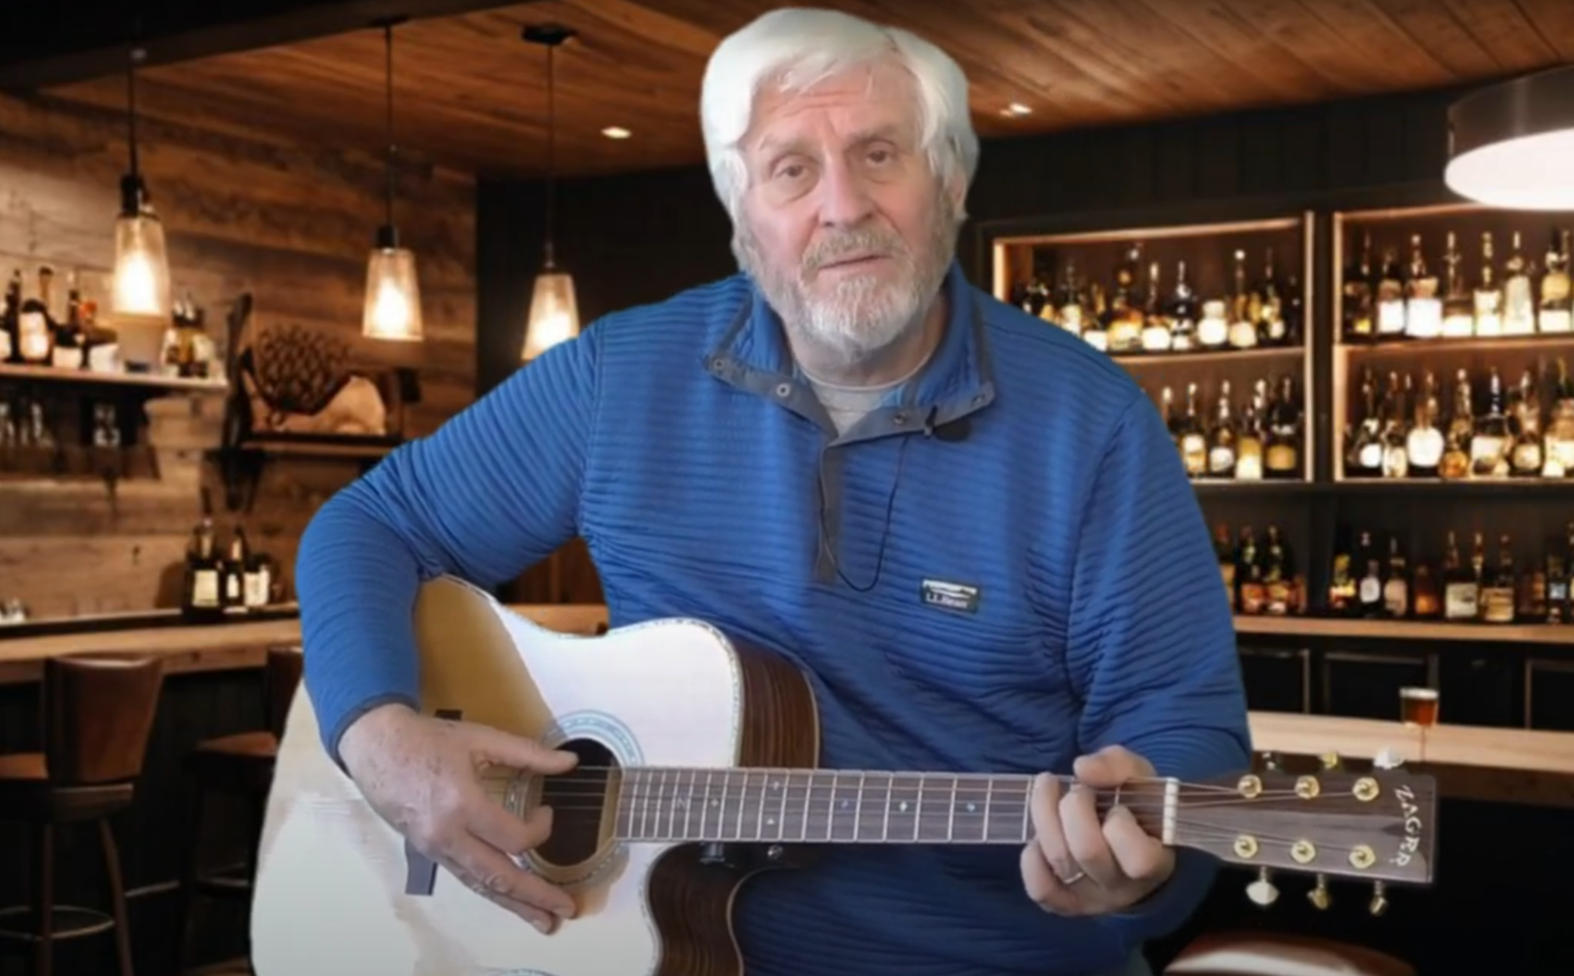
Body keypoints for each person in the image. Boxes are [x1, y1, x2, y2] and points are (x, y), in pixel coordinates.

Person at [294, 7, 1252, 976]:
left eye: (879, 153)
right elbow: (370, 525)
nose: (842, 206)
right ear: (740, 209)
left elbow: (1179, 723)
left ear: (949, 179)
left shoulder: (1092, 422)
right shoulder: (617, 374)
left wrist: (1139, 870)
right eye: (791, 168)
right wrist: (381, 737)